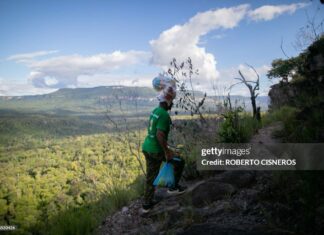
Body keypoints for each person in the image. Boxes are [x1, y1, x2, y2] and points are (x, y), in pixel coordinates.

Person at [141, 85, 186, 212]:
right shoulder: (165, 115)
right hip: (156, 150)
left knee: (151, 176)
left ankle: (146, 205)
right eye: (172, 101)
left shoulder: (155, 111)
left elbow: (154, 132)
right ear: (168, 102)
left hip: (147, 147)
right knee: (179, 162)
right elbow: (159, 134)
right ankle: (173, 188)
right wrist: (167, 152)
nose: (172, 104)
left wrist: (168, 148)